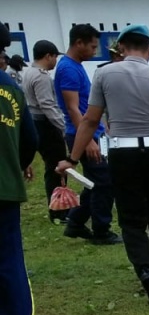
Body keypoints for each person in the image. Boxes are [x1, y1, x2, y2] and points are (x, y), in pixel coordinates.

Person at [57, 25, 149, 305]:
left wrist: (72, 158)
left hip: (122, 154)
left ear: (121, 48)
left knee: (131, 218)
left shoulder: (103, 74)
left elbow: (90, 120)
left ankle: (145, 268)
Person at [54, 23, 120, 245]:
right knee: (104, 182)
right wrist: (89, 140)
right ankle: (101, 230)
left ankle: (75, 222)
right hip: (81, 134)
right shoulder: (68, 69)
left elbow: (85, 105)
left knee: (95, 181)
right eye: (92, 46)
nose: (94, 51)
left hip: (89, 132)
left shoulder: (75, 66)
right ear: (78, 42)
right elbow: (73, 108)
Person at [1, 20, 41, 315]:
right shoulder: (11, 89)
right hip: (5, 186)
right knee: (9, 256)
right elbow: (30, 139)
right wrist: (18, 162)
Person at [20, 40, 68, 222]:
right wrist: (62, 126)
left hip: (36, 122)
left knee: (51, 167)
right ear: (48, 56)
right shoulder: (41, 77)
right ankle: (59, 210)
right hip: (46, 125)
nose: (55, 60)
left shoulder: (28, 73)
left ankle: (57, 208)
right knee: (57, 167)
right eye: (55, 56)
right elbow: (47, 105)